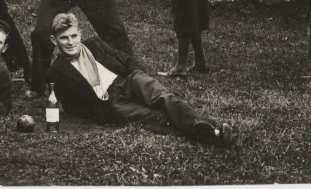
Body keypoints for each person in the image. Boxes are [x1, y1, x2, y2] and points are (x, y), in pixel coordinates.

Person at [45, 13, 234, 146]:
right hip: (111, 102)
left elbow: (126, 60)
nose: (70, 42)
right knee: (151, 118)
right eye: (64, 38)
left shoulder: (93, 44)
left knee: (164, 98)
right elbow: (73, 108)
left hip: (128, 81)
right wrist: (104, 112)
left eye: (73, 36)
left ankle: (201, 125)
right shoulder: (56, 73)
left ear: (80, 34)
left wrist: (139, 75)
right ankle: (211, 132)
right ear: (54, 40)